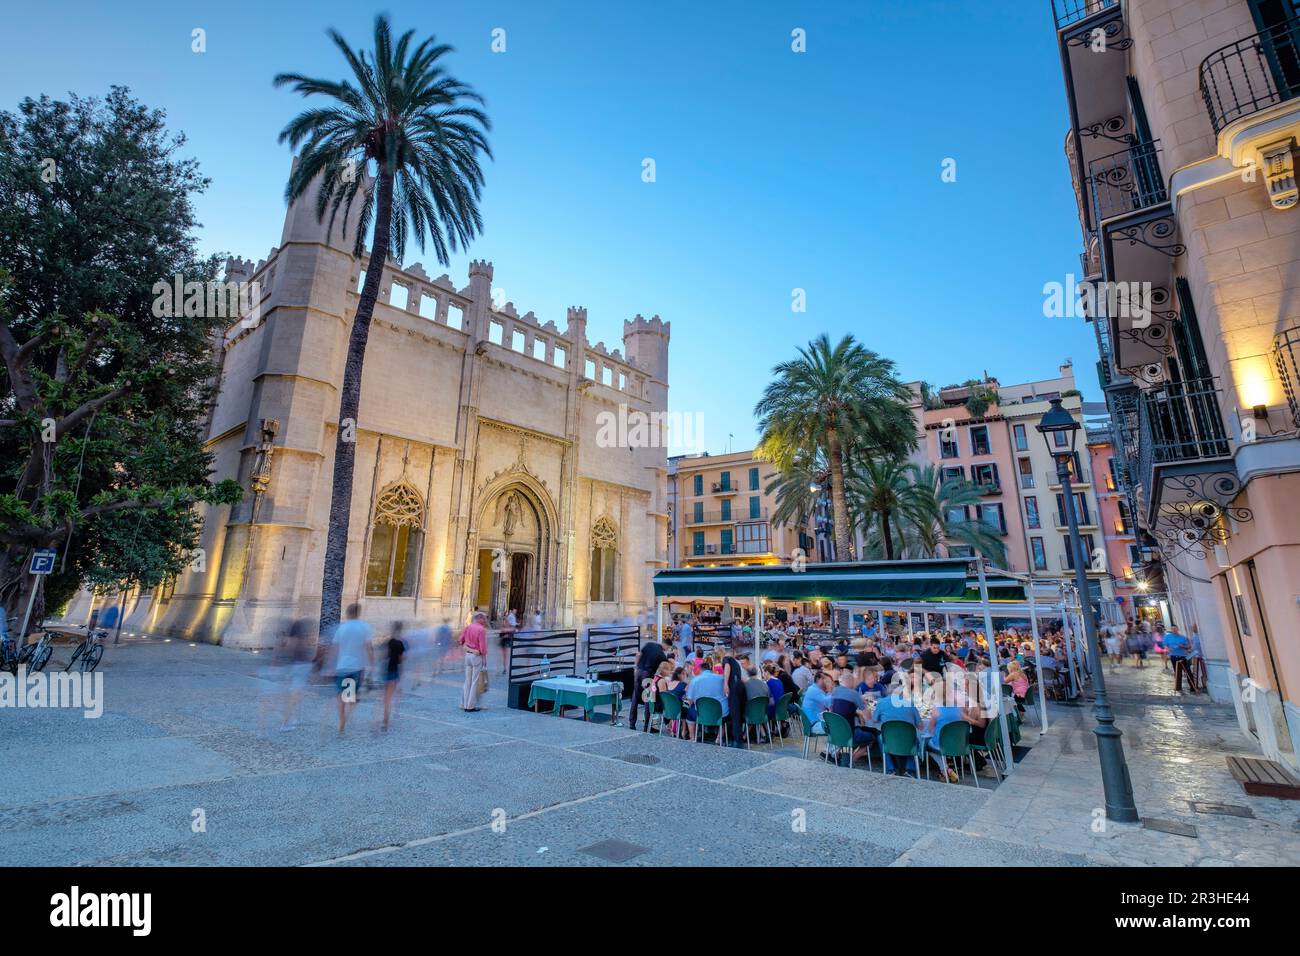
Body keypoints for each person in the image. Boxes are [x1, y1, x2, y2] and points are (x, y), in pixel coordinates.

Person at [332, 604, 374, 734]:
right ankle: (345, 720)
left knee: (341, 695)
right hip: (356, 667)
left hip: (342, 666)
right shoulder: (364, 627)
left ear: (347, 613)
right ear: (359, 613)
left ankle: (341, 720)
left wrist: (332, 665)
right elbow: (368, 647)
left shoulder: (342, 628)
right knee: (350, 696)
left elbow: (335, 647)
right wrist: (372, 664)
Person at [829, 671, 876, 765]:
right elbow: (868, 717)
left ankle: (837, 755)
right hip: (849, 734)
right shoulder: (854, 694)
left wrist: (857, 714)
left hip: (834, 733)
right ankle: (851, 761)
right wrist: (866, 705)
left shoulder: (835, 691)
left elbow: (835, 709)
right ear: (850, 681)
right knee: (871, 737)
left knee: (854, 729)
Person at [631, 635, 670, 731]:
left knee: (635, 698)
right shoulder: (662, 655)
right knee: (649, 699)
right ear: (665, 645)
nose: (667, 650)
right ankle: (647, 726)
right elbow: (665, 669)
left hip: (639, 672)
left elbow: (638, 655)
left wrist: (636, 667)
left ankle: (632, 723)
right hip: (648, 675)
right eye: (668, 648)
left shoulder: (649, 644)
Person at [684, 661, 728, 741]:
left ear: (700, 670)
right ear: (711, 669)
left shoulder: (695, 680)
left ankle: (692, 737)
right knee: (727, 718)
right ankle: (718, 738)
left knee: (690, 713)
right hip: (721, 714)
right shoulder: (721, 678)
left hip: (701, 713)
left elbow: (689, 700)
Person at [459, 611, 489, 712]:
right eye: (484, 618)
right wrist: (484, 660)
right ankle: (470, 706)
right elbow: (483, 648)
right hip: (477, 656)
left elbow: (460, 641)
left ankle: (464, 703)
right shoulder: (481, 630)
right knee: (474, 681)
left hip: (467, 655)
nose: (485, 621)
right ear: (479, 618)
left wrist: (468, 647)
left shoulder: (468, 627)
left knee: (467, 681)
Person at [381, 621, 406, 732]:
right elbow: (401, 660)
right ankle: (385, 722)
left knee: (385, 697)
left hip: (386, 670)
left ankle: (384, 719)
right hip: (394, 671)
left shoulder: (388, 641)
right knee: (389, 698)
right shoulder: (400, 644)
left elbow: (384, 656)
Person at [1163, 624, 1193, 692]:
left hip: (1183, 656)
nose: (1174, 630)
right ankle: (1178, 687)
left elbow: (1189, 646)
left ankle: (1192, 687)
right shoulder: (1168, 637)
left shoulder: (1183, 637)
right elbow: (1165, 646)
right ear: (1171, 630)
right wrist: (1168, 649)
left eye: (1175, 629)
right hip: (1174, 656)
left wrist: (1183, 646)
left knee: (1188, 671)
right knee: (1177, 672)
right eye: (1172, 629)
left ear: (1177, 629)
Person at [498, 608, 518, 675]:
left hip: (507, 642)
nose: (505, 622)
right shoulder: (504, 627)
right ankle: (505, 668)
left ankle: (506, 668)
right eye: (505, 621)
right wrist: (505, 633)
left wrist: (507, 632)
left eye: (506, 621)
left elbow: (513, 631)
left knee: (507, 656)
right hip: (503, 642)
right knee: (504, 656)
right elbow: (501, 635)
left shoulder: (509, 627)